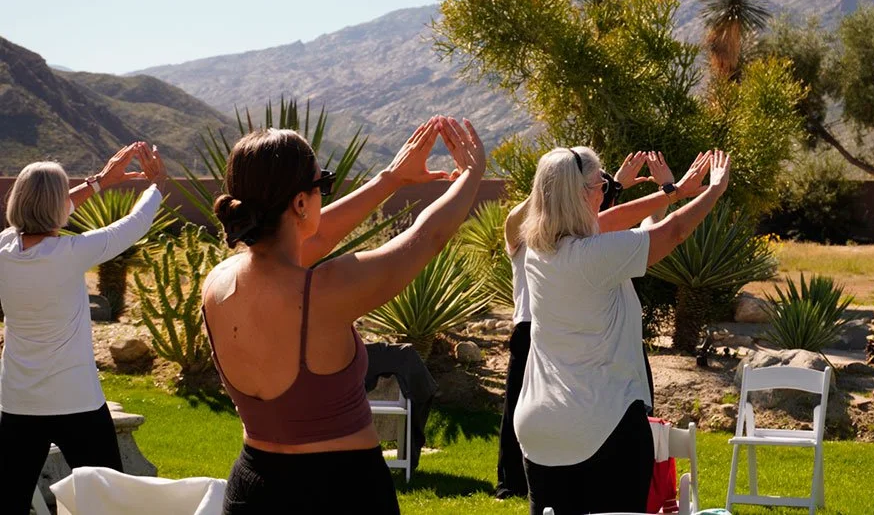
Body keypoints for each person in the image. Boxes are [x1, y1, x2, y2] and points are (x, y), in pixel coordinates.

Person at [201, 116, 485, 515]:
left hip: (253, 490)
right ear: (300, 202)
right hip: (342, 493)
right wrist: (472, 174)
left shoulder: (217, 282)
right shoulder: (325, 291)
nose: (324, 197)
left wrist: (391, 180)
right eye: (323, 186)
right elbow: (427, 237)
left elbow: (312, 237)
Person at [514, 147, 730, 515]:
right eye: (600, 184)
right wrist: (714, 190)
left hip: (539, 428)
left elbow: (613, 221)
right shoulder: (595, 256)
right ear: (581, 195)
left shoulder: (538, 252)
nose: (604, 191)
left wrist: (672, 193)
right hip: (600, 424)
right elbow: (674, 232)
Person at [0, 143, 167, 515]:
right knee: (106, 501)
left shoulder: (5, 249)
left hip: (18, 403)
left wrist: (100, 182)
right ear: (55, 206)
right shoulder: (72, 252)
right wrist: (156, 186)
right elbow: (134, 225)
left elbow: (46, 212)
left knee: (9, 500)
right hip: (76, 404)